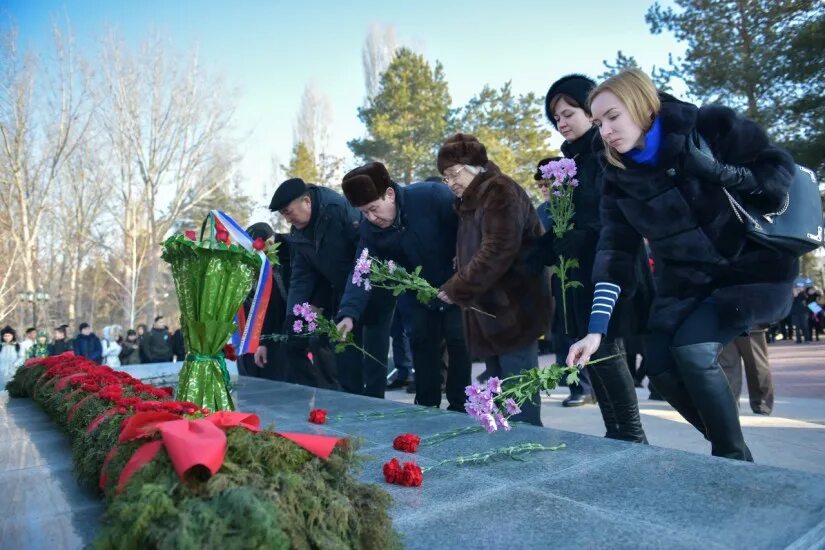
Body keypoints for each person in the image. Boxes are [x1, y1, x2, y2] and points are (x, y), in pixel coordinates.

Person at [567, 69, 798, 461]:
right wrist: (595, 331)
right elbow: (614, 254)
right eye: (597, 123)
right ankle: (733, 450)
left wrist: (719, 172)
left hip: (752, 270)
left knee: (692, 350)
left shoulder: (708, 126)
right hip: (686, 284)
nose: (604, 131)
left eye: (612, 117)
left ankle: (731, 460)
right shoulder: (617, 176)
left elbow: (777, 180)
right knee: (658, 365)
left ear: (640, 105)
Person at [529, 74, 650, 443]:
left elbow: (616, 219)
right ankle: (615, 432)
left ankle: (631, 435)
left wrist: (579, 238)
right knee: (591, 358)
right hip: (578, 276)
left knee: (608, 352)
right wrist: (548, 244)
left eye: (568, 113)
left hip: (609, 273)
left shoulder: (605, 154)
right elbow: (568, 222)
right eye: (556, 119)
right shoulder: (570, 165)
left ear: (589, 110)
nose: (562, 123)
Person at [435, 134, 553, 426]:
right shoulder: (471, 200)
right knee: (501, 394)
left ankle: (529, 450)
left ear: (474, 165)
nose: (450, 184)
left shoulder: (499, 190)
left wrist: (457, 286)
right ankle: (511, 448)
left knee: (519, 394)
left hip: (514, 308)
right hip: (490, 309)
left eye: (453, 174)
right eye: (445, 178)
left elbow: (499, 248)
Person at [336, 162, 472, 411]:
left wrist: (464, 263)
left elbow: (468, 225)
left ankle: (460, 406)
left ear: (389, 194)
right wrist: (348, 313)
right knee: (421, 344)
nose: (371, 218)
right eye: (364, 213)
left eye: (373, 209)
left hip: (454, 285)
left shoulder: (431, 197)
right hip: (417, 294)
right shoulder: (370, 229)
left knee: (459, 342)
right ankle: (426, 407)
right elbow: (362, 268)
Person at [265, 177, 394, 397]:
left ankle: (376, 406)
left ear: (306, 201)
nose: (288, 220)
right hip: (342, 293)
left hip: (374, 288)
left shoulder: (338, 210)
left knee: (373, 353)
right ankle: (351, 404)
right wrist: (292, 315)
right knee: (345, 353)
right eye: (284, 215)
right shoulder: (298, 233)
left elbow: (367, 253)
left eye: (288, 212)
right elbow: (301, 276)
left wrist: (355, 303)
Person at [533, 156, 596, 407]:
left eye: (549, 182)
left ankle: (584, 387)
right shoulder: (542, 210)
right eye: (541, 184)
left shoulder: (575, 205)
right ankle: (574, 383)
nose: (545, 188)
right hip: (556, 280)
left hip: (580, 280)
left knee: (578, 333)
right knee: (561, 333)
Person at [719, 328, 774, 415]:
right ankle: (761, 404)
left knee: (728, 367)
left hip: (727, 323)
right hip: (748, 322)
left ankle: (730, 405)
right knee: (756, 364)